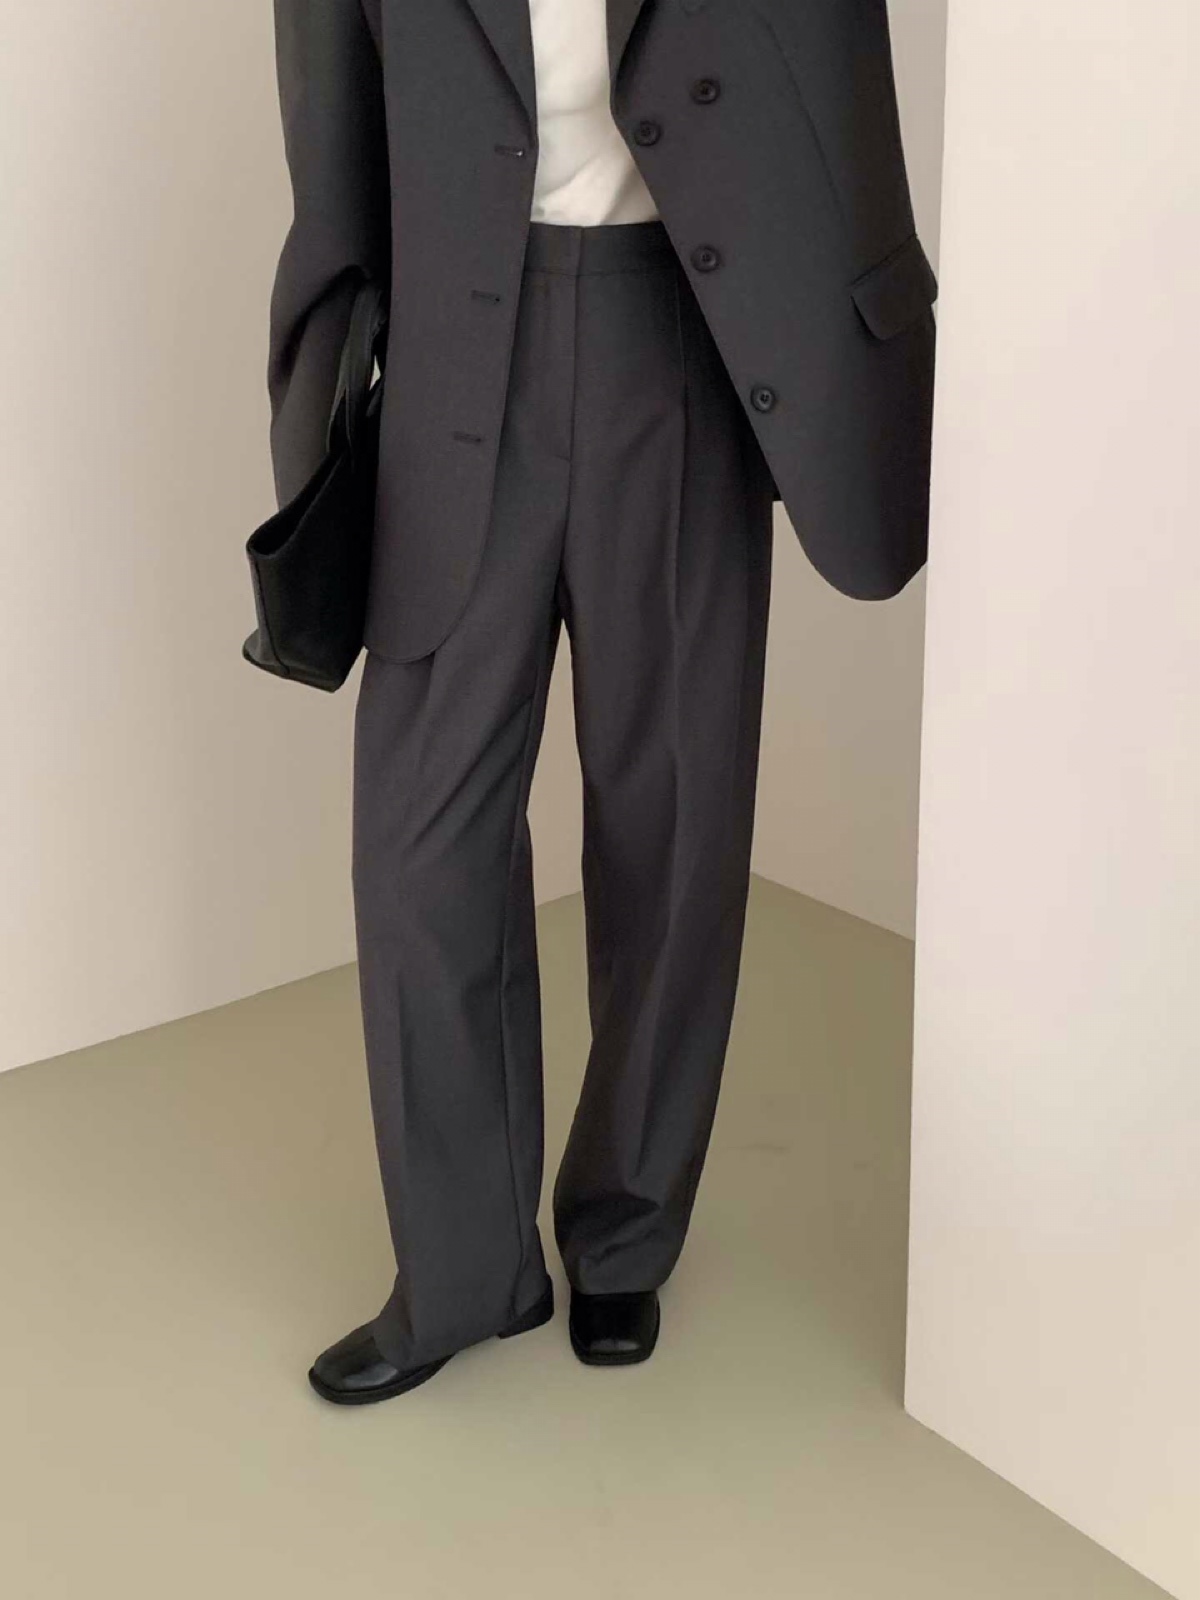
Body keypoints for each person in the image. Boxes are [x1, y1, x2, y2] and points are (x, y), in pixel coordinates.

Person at [265, 0, 936, 1405]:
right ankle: (463, 1272)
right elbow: (333, 163)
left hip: (680, 336)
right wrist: (318, 421)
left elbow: (836, 77)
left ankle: (627, 1228)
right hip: (455, 361)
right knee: (420, 847)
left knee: (674, 819)